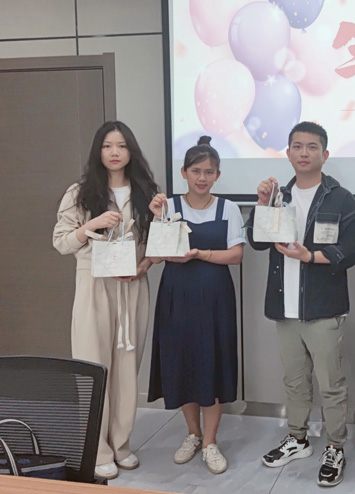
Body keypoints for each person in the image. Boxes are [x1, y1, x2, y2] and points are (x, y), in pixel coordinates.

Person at [245, 121, 355, 487]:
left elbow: (351, 251)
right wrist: (262, 204)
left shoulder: (340, 198)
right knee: (294, 381)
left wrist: (309, 256)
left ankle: (335, 446)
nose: (304, 153)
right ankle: (297, 439)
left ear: (324, 154)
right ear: (288, 153)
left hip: (323, 307)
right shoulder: (278, 195)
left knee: (331, 384)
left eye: (312, 147)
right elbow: (257, 242)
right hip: (285, 308)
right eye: (297, 146)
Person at [53, 121, 158, 479]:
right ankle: (97, 449)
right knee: (93, 364)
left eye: (122, 146)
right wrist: (90, 225)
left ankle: (121, 444)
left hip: (132, 286)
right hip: (94, 284)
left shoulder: (146, 192)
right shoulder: (80, 192)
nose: (115, 152)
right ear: (98, 151)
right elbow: (61, 242)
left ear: (131, 151)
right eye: (108, 146)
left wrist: (144, 265)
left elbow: (158, 244)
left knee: (128, 367)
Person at [147, 136, 244, 474]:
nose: (202, 178)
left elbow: (236, 255)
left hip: (215, 298)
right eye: (196, 171)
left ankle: (211, 442)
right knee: (182, 364)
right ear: (184, 172)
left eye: (209, 172)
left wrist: (202, 254)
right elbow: (156, 255)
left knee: (211, 364)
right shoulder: (167, 206)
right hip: (176, 296)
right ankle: (193, 434)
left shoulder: (228, 208)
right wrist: (157, 219)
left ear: (217, 175)